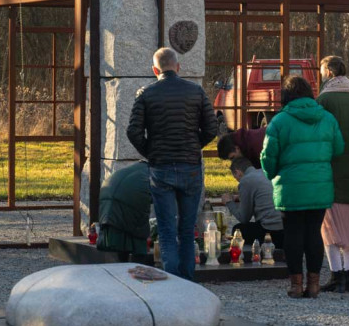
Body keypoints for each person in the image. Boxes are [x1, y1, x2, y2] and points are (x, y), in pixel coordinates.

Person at [127, 47, 218, 280]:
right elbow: (211, 128)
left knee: (166, 230)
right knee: (187, 230)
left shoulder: (145, 94)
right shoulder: (196, 92)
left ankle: (173, 283)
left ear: (154, 70)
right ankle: (187, 282)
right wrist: (194, 145)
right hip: (191, 166)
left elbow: (133, 132)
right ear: (178, 67)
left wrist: (151, 152)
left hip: (161, 167)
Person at [261, 75, 343, 299]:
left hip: (291, 187)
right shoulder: (327, 118)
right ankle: (314, 284)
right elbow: (338, 148)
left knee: (293, 234)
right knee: (314, 233)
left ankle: (296, 285)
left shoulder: (279, 121)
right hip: (319, 185)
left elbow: (268, 156)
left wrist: (272, 174)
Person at [316, 55, 349, 293]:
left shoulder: (324, 100)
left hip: (329, 168)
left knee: (329, 227)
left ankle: (337, 276)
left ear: (328, 72)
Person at [96, 162, 153, 259]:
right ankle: (139, 263)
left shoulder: (139, 169)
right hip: (128, 202)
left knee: (122, 243)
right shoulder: (156, 172)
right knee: (138, 242)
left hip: (107, 197)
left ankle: (123, 264)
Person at [224, 157, 284, 247]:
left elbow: (244, 218)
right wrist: (240, 197)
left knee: (237, 230)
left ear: (237, 172)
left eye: (235, 177)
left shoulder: (245, 181)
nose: (237, 180)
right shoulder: (264, 173)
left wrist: (229, 202)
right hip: (285, 227)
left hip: (271, 232)